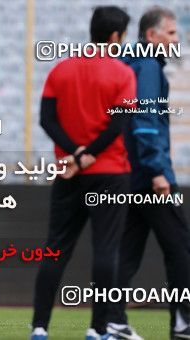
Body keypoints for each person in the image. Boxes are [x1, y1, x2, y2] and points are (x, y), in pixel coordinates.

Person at [30, 6, 136, 340]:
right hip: (109, 171)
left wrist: (74, 154)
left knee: (55, 249)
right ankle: (97, 329)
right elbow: (119, 124)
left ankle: (39, 327)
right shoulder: (122, 73)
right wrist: (88, 154)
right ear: (116, 36)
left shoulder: (61, 69)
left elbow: (47, 120)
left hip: (68, 173)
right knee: (106, 250)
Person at [107, 7, 190, 340]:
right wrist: (157, 170)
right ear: (152, 35)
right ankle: (184, 323)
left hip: (129, 173)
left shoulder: (131, 64)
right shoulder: (148, 66)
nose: (177, 38)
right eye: (171, 33)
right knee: (181, 247)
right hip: (148, 174)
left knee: (127, 251)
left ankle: (110, 322)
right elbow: (145, 121)